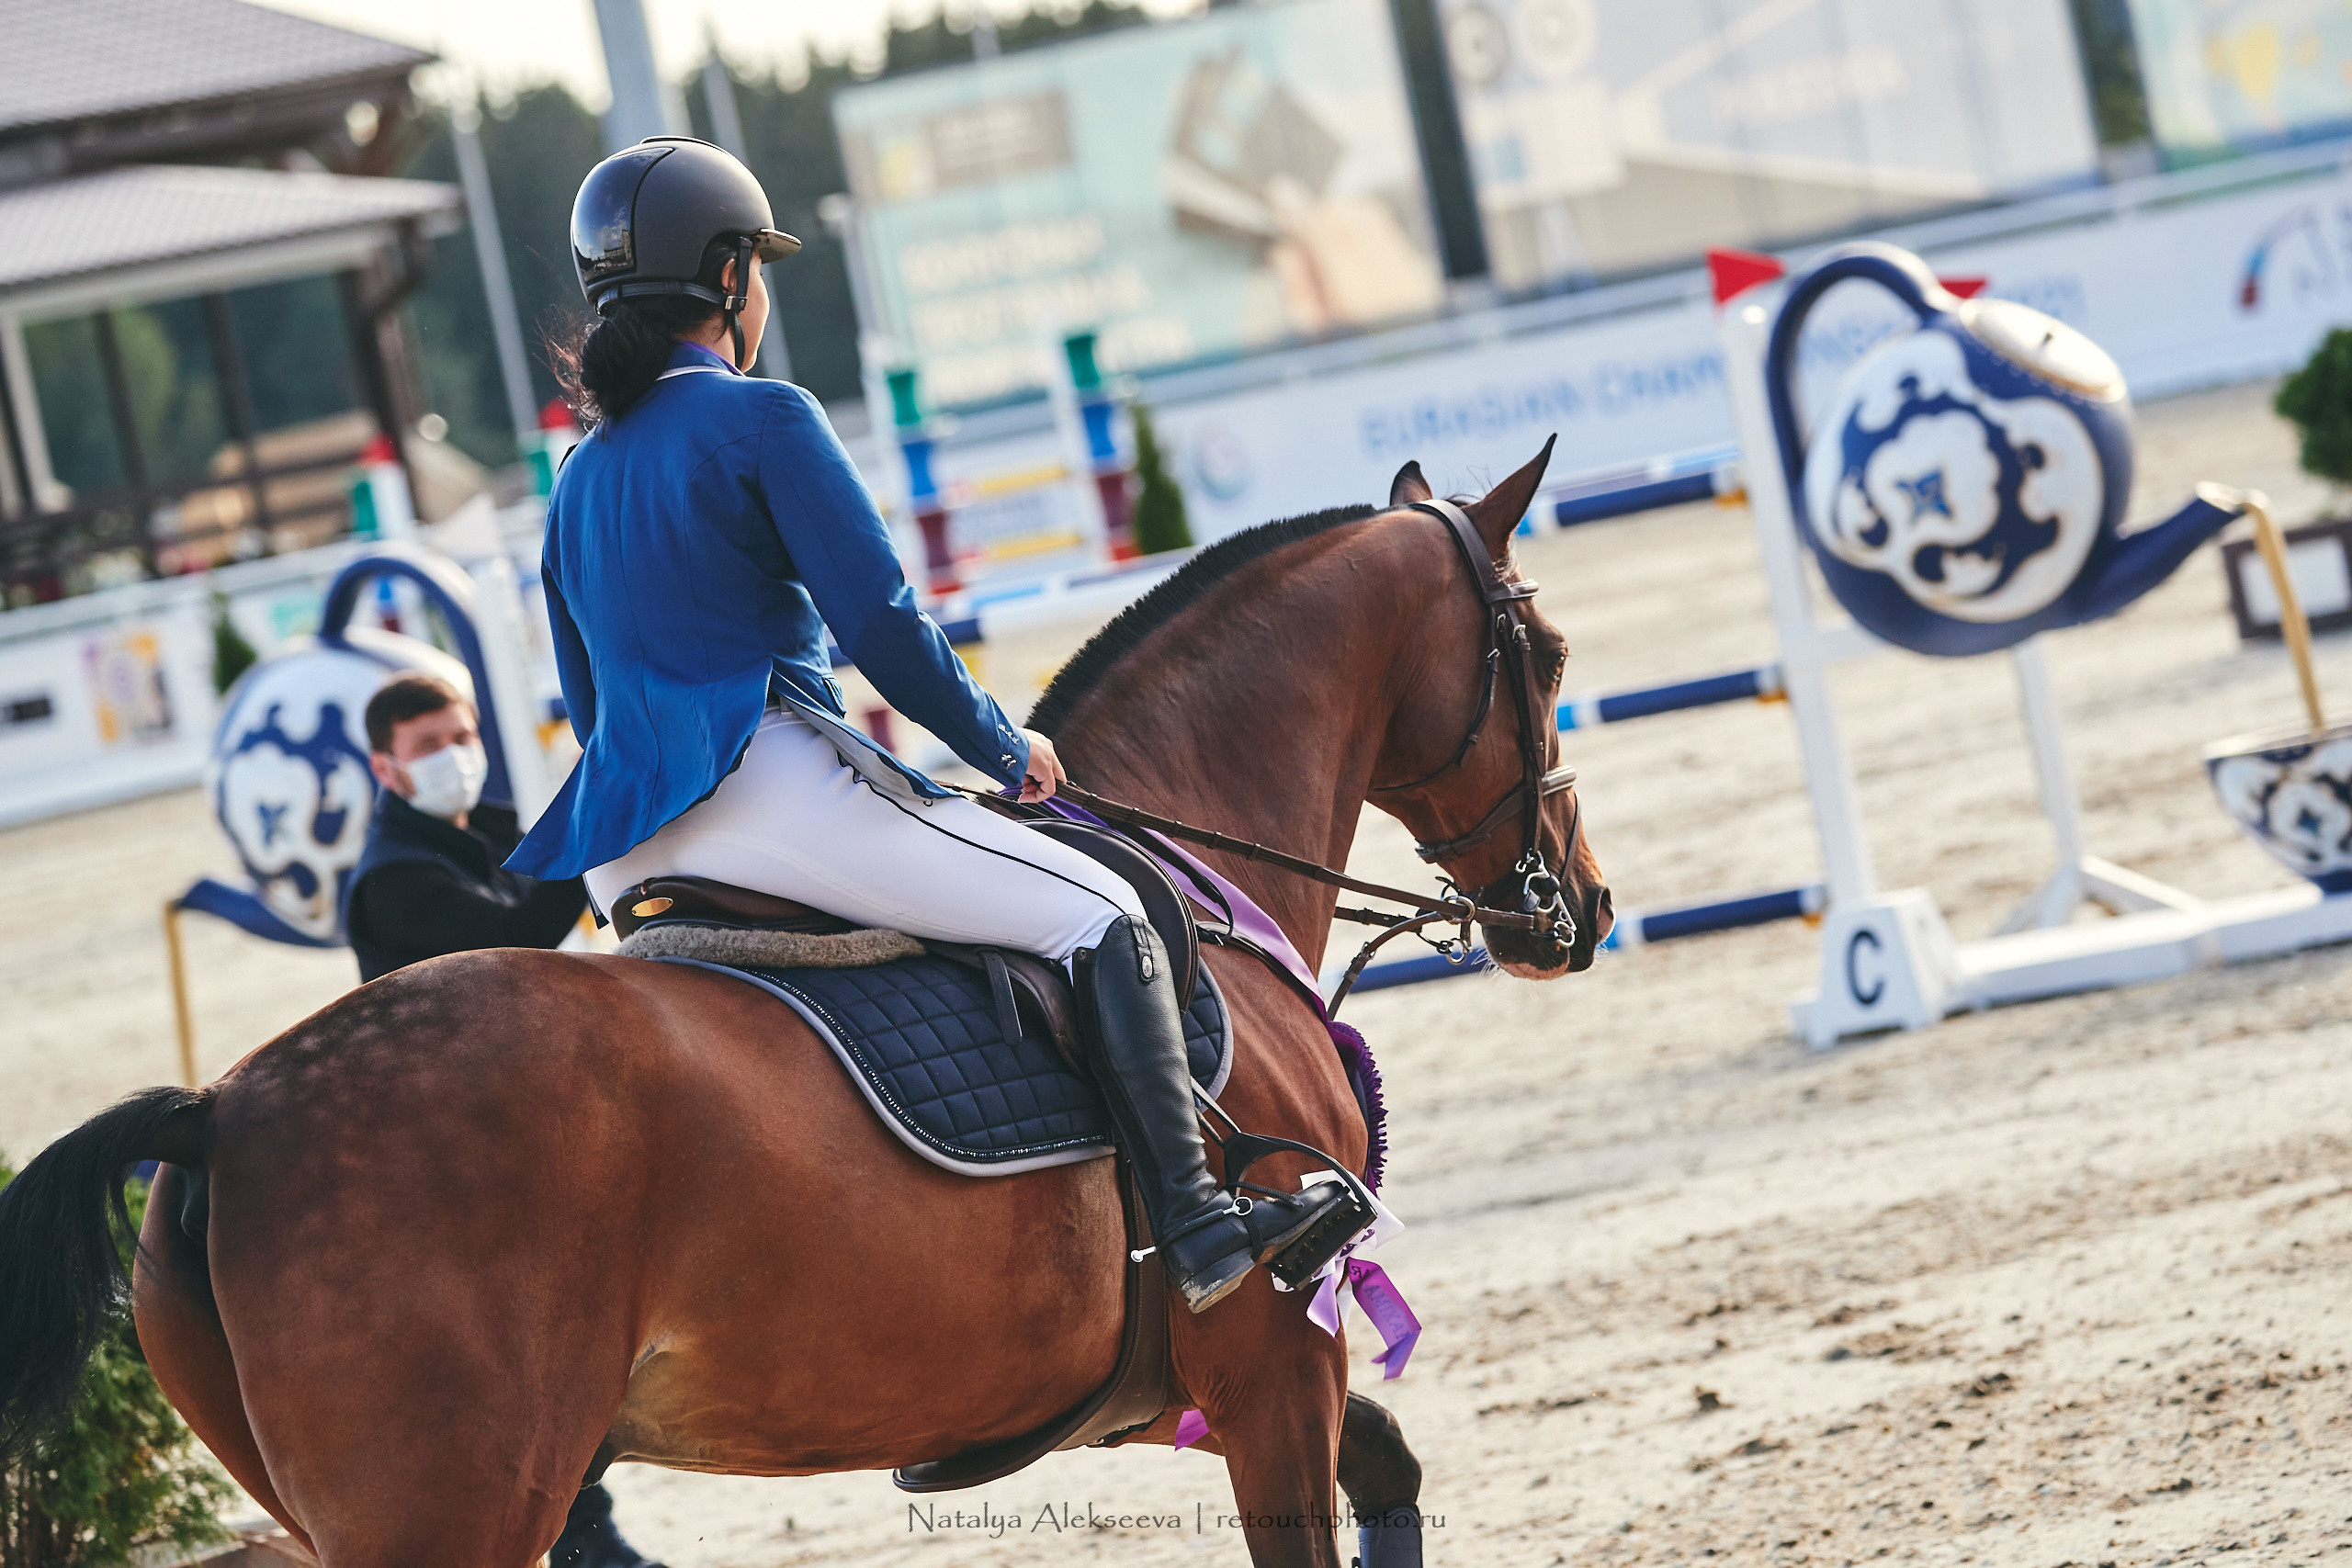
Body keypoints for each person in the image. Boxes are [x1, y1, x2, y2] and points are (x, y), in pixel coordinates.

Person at [507, 136, 1350, 1314]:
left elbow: (587, 699)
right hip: (763, 797)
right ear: (732, 276)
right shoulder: (764, 418)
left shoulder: (579, 474)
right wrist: (1007, 747)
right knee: (1101, 910)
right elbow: (886, 627)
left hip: (623, 851)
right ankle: (1201, 1226)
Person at [343, 673, 655, 1568]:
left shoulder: (482, 825)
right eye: (428, 746)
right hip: (438, 1142)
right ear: (385, 769)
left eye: (462, 734)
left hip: (511, 1098)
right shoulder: (392, 877)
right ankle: (582, 1535)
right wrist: (597, 805)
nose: (454, 757)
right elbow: (521, 936)